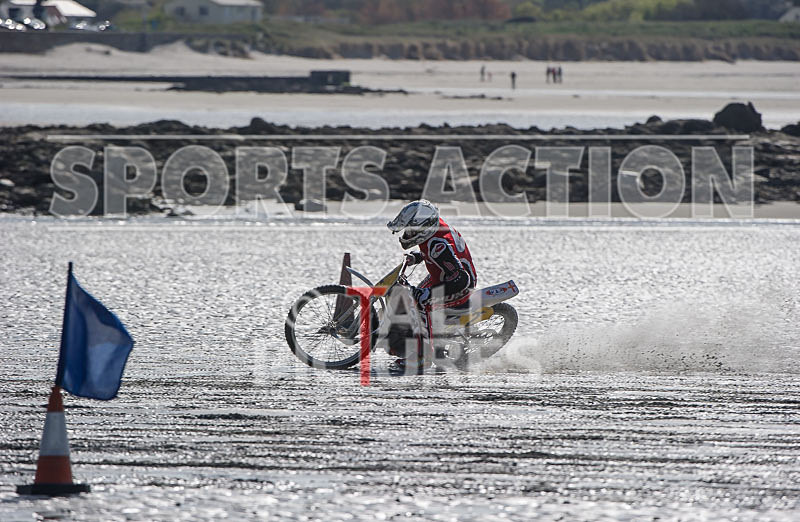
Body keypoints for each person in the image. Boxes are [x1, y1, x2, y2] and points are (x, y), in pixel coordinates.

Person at [385, 200, 477, 373]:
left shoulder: (438, 245)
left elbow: (462, 280)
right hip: (444, 275)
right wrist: (418, 257)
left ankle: (422, 358)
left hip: (459, 284)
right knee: (413, 295)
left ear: (424, 227)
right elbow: (438, 254)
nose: (408, 233)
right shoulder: (436, 230)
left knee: (419, 301)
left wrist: (427, 294)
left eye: (412, 230)